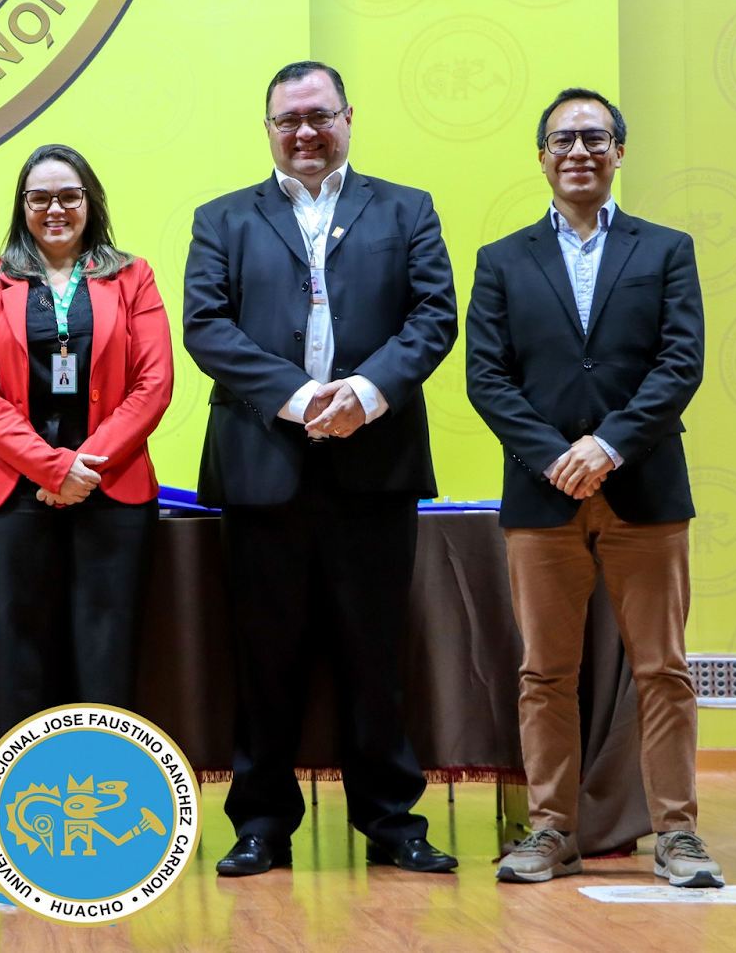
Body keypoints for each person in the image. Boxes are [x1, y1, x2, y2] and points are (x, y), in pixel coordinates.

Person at [183, 61, 458, 876]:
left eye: (319, 115)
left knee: (376, 654)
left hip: (374, 463)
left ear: (347, 117)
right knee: (264, 658)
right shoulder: (223, 218)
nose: (304, 132)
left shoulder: (406, 209)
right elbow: (207, 327)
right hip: (262, 467)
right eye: (287, 120)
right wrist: (304, 399)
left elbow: (434, 315)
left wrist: (366, 393)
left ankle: (391, 821)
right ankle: (262, 822)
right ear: (267, 129)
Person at [467, 88, 720, 887]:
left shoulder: (665, 249)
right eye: (562, 139)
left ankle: (677, 834)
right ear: (541, 156)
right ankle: (551, 830)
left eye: (595, 138)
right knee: (546, 673)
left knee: (663, 670)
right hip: (543, 497)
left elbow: (681, 363)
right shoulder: (502, 260)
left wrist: (608, 445)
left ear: (618, 153)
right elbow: (488, 377)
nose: (578, 151)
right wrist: (556, 456)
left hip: (644, 489)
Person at [0, 144, 173, 740]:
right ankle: (20, 811)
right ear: (23, 206)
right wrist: (52, 469)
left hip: (112, 491)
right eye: (40, 197)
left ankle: (109, 805)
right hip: (14, 495)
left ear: (90, 202)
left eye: (69, 195)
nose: (55, 208)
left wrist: (82, 467)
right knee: (17, 659)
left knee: (107, 657)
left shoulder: (133, 275)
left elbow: (153, 386)